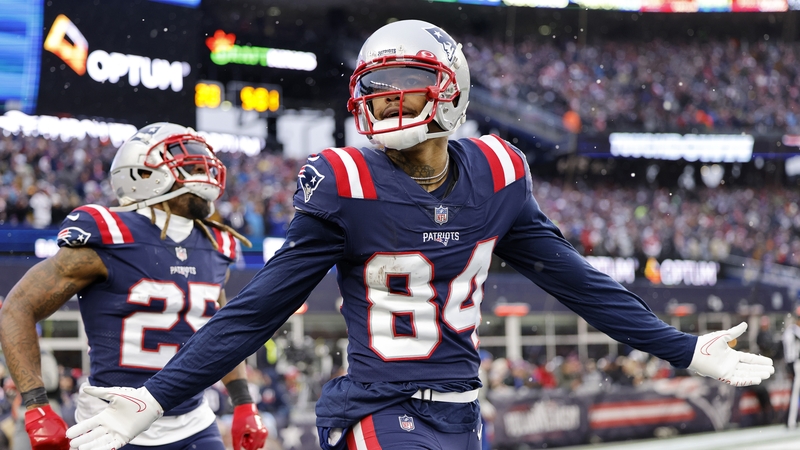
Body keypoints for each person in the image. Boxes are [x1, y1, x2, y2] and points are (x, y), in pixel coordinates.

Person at [65, 21, 774, 450]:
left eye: (407, 81)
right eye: (376, 85)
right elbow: (259, 309)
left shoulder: (498, 172)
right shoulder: (344, 183)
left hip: (464, 413)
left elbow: (574, 280)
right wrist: (156, 398)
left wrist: (679, 347)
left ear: (453, 89)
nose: (388, 97)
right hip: (377, 411)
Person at [0, 123, 268, 450]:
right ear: (141, 171)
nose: (203, 169)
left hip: (192, 423)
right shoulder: (109, 233)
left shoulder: (215, 243)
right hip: (109, 424)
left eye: (204, 162)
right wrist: (36, 404)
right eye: (190, 162)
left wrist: (243, 401)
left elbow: (220, 331)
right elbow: (17, 307)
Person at [783, 310, 800, 428]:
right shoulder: (792, 331)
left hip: (796, 363)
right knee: (794, 393)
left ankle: (792, 420)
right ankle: (791, 421)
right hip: (796, 364)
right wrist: (790, 367)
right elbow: (789, 352)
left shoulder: (793, 331)